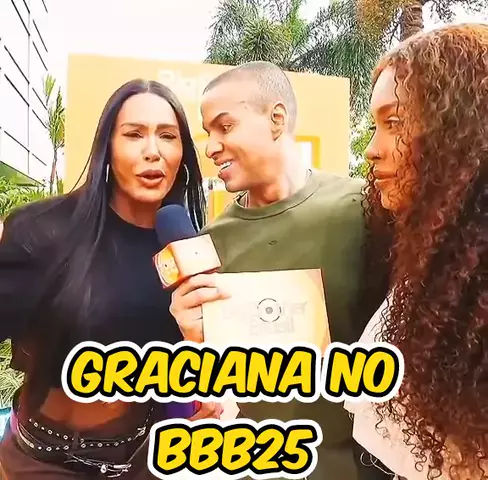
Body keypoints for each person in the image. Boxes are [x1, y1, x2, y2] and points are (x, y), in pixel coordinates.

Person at [169, 61, 388, 480]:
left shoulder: (365, 208)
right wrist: (193, 339)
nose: (211, 147)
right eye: (208, 132)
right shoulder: (212, 243)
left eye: (225, 127)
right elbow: (216, 380)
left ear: (276, 119)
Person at [0, 79, 222, 479]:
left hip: (146, 459)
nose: (153, 151)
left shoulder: (187, 247)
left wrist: (204, 381)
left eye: (167, 136)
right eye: (134, 134)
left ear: (183, 153)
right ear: (108, 147)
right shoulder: (43, 230)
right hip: (41, 462)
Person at [344, 23, 488, 479]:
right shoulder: (434, 261)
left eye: (395, 123)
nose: (371, 150)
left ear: (460, 131)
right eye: (376, 125)